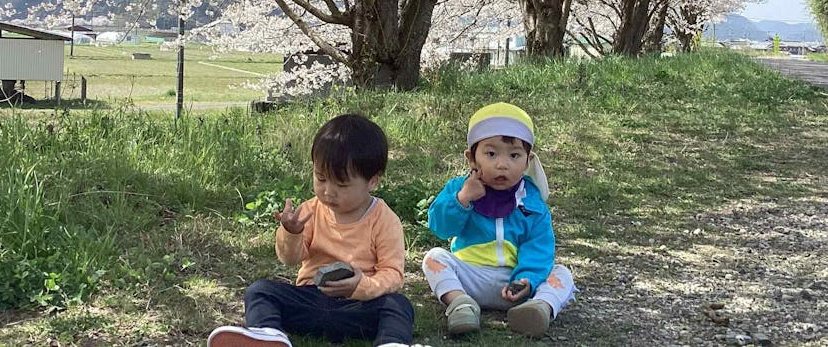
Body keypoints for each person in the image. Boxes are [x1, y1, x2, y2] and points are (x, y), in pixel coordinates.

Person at [208, 114, 417, 347]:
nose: (328, 191)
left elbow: (393, 274)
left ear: (373, 181)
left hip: (359, 307)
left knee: (398, 305)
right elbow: (289, 259)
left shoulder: (384, 219)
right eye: (321, 179)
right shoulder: (310, 210)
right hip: (311, 299)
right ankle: (269, 335)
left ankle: (392, 343)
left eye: (342, 185)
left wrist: (361, 286)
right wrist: (291, 232)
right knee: (260, 291)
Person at [422, 102, 576, 338]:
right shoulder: (459, 189)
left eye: (514, 155)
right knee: (434, 258)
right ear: (471, 158)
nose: (502, 164)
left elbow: (539, 247)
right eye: (491, 154)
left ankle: (538, 308)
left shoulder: (532, 201)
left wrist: (527, 280)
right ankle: (460, 304)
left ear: (528, 160)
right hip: (470, 277)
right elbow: (440, 228)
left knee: (562, 273)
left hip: (515, 282)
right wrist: (463, 199)